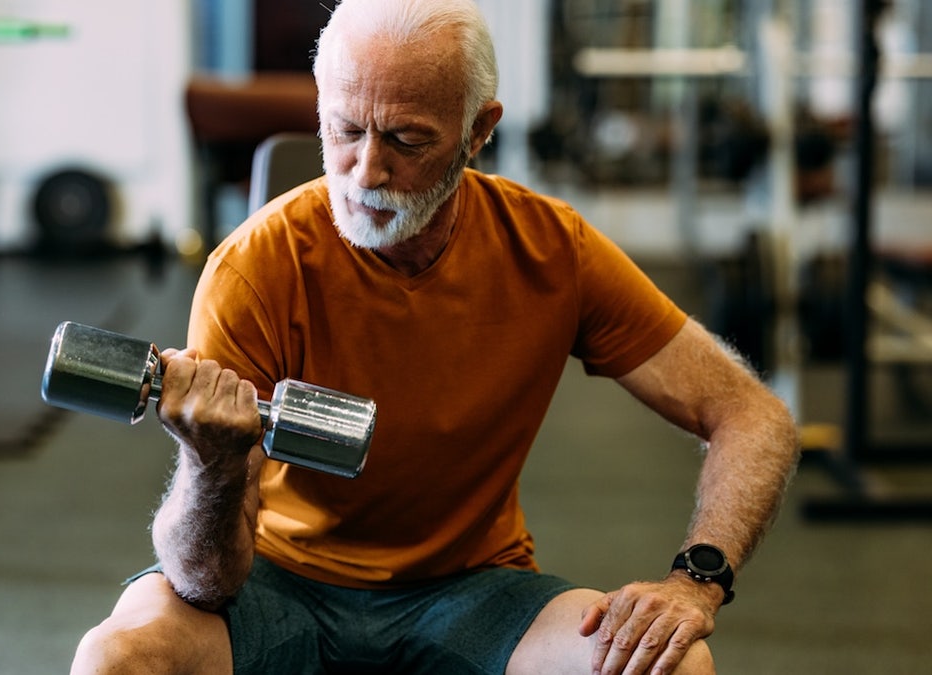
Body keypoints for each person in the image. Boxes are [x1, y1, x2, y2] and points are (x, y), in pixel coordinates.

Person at [71, 0, 800, 673]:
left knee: (674, 666)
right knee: (117, 659)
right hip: (274, 583)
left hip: (472, 592)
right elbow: (207, 578)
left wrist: (695, 582)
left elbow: (751, 413)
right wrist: (214, 463)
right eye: (345, 129)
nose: (365, 171)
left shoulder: (550, 249)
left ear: (479, 131)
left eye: (407, 140)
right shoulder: (257, 266)